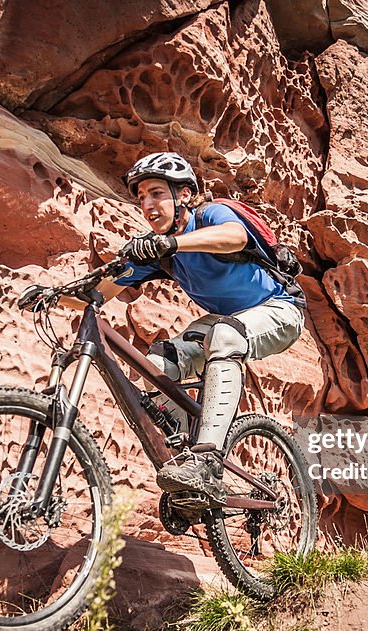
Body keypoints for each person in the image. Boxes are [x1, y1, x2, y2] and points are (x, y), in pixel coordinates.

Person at [91, 152, 305, 507]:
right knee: (156, 364)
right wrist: (54, 295)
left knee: (225, 335)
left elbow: (234, 237)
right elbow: (102, 292)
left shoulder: (212, 215)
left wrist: (171, 243)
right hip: (225, 321)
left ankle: (207, 459)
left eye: (156, 193)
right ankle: (187, 454)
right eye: (142, 197)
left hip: (279, 310)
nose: (147, 204)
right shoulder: (159, 252)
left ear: (184, 195)